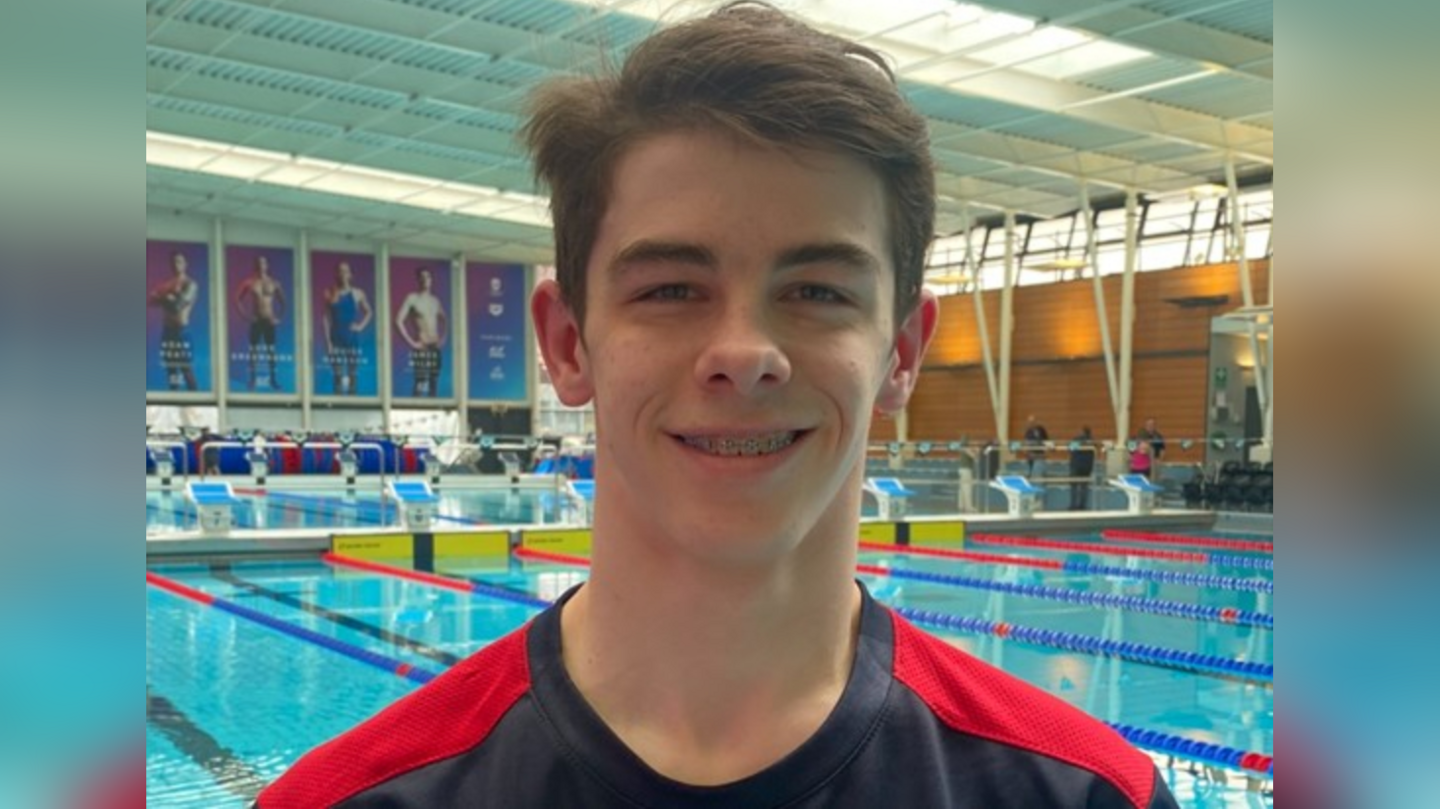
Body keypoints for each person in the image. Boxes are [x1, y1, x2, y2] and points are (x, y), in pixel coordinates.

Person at [255, 5, 1179, 808]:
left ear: (901, 352)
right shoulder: (354, 803)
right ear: (568, 344)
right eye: (670, 289)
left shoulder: (1082, 797)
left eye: (818, 290)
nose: (745, 354)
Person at [233, 254, 287, 391]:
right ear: (256, 265)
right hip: (257, 320)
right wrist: (246, 316)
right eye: (259, 263)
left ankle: (273, 379)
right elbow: (237, 299)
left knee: (271, 352)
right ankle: (253, 380)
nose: (261, 266)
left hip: (269, 320)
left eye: (263, 263)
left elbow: (283, 302)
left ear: (267, 266)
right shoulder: (250, 282)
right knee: (254, 351)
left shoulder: (274, 283)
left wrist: (278, 318)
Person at [147, 251, 199, 392]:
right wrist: (168, 297)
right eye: (175, 261)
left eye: (180, 261)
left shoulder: (191, 284)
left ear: (185, 264)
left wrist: (164, 297)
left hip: (182, 331)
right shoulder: (167, 285)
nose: (177, 264)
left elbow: (178, 306)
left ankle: (195, 405)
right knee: (171, 371)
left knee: (186, 369)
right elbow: (150, 300)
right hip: (167, 331)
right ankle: (173, 405)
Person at [394, 266, 448, 397]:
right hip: (422, 346)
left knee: (433, 383)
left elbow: (445, 319)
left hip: (434, 345)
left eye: (428, 276)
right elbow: (398, 321)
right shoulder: (413, 298)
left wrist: (443, 338)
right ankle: (415, 412)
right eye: (422, 277)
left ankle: (434, 413)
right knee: (420, 382)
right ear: (418, 279)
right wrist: (411, 342)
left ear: (431, 279)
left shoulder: (435, 301)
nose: (425, 280)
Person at [322, 261, 372, 396]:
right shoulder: (330, 292)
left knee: (353, 374)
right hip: (336, 336)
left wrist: (360, 326)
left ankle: (353, 403)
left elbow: (369, 311)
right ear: (337, 274)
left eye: (346, 271)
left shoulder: (357, 293)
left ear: (350, 274)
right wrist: (328, 342)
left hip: (351, 337)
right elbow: (326, 318)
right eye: (340, 271)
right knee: (337, 375)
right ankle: (337, 406)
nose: (343, 274)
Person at [1068, 426, 1096, 510]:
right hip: (1087, 467)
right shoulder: (1092, 442)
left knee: (1074, 486)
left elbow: (1071, 449)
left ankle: (1073, 505)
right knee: (1084, 487)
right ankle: (1082, 505)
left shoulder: (1077, 440)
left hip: (1076, 465)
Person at [1023, 413, 1049, 478]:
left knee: (1041, 469)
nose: (1031, 423)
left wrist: (1047, 449)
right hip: (1032, 453)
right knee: (1031, 467)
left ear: (1035, 422)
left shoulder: (1041, 429)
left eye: (1032, 422)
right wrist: (1026, 449)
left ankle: (1042, 477)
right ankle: (1030, 476)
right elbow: (1026, 441)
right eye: (1029, 422)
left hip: (1040, 453)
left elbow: (1046, 439)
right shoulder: (1028, 431)